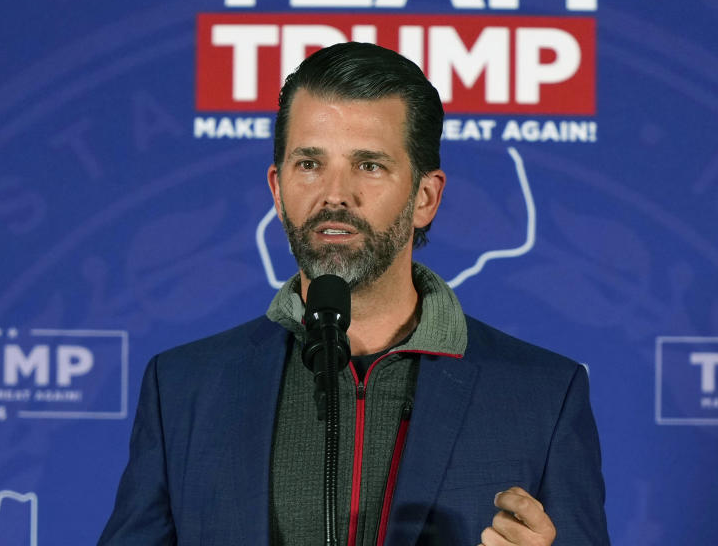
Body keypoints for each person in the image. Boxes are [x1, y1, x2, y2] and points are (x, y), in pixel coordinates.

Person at [99, 42, 610, 545]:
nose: (335, 193)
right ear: (277, 190)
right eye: (310, 164)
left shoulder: (543, 395)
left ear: (425, 198)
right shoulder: (184, 388)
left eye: (369, 165)